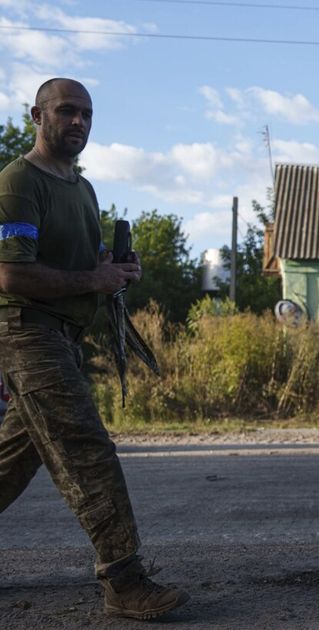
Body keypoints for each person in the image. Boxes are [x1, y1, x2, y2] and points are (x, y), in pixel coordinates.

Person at [0, 78, 189, 620]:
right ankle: (123, 580)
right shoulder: (18, 183)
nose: (78, 122)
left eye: (86, 113)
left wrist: (114, 268)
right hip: (27, 331)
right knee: (86, 449)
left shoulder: (80, 188)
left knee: (12, 459)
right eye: (66, 111)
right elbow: (13, 276)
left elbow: (83, 264)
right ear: (37, 115)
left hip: (62, 336)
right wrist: (94, 277)